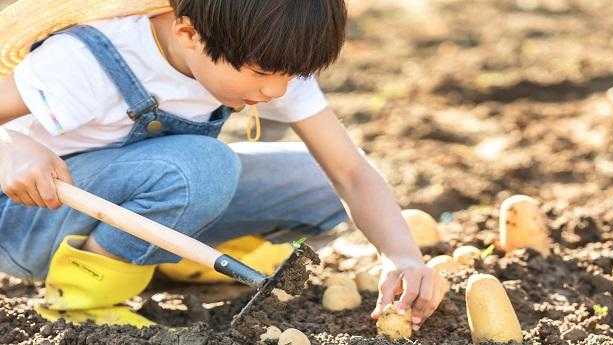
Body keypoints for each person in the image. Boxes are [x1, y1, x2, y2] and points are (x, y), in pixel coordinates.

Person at [0, 0, 448, 330]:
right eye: (259, 74)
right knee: (203, 166)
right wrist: (10, 146)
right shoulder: (88, 59)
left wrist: (401, 256)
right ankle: (82, 303)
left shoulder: (264, 54)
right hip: (32, 219)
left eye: (289, 77)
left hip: (136, 194)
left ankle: (165, 257)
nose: (275, 91)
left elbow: (349, 171)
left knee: (319, 182)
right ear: (189, 34)